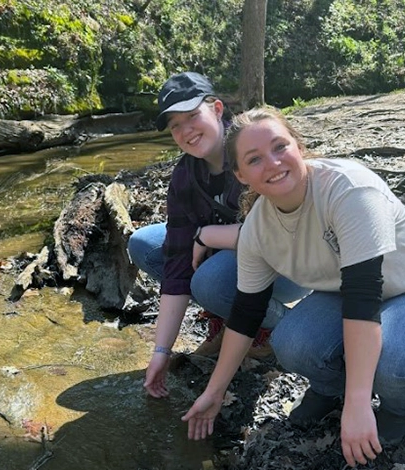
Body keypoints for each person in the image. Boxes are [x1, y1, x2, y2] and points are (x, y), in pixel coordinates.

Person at [181, 107, 405, 467]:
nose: (272, 163)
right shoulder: (257, 228)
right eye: (254, 159)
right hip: (341, 294)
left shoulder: (347, 189)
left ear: (299, 146)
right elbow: (247, 312)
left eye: (280, 146)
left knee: (389, 361)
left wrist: (359, 403)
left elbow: (364, 298)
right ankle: (332, 389)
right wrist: (215, 390)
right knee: (291, 343)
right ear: (240, 175)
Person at [128, 73, 308, 398]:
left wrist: (208, 234)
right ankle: (229, 320)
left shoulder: (250, 149)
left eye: (193, 116)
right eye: (175, 126)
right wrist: (161, 352)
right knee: (145, 244)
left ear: (217, 109)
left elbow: (282, 229)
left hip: (293, 258)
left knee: (208, 281)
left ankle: (279, 326)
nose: (186, 132)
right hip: (237, 255)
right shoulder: (185, 175)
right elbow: (177, 265)